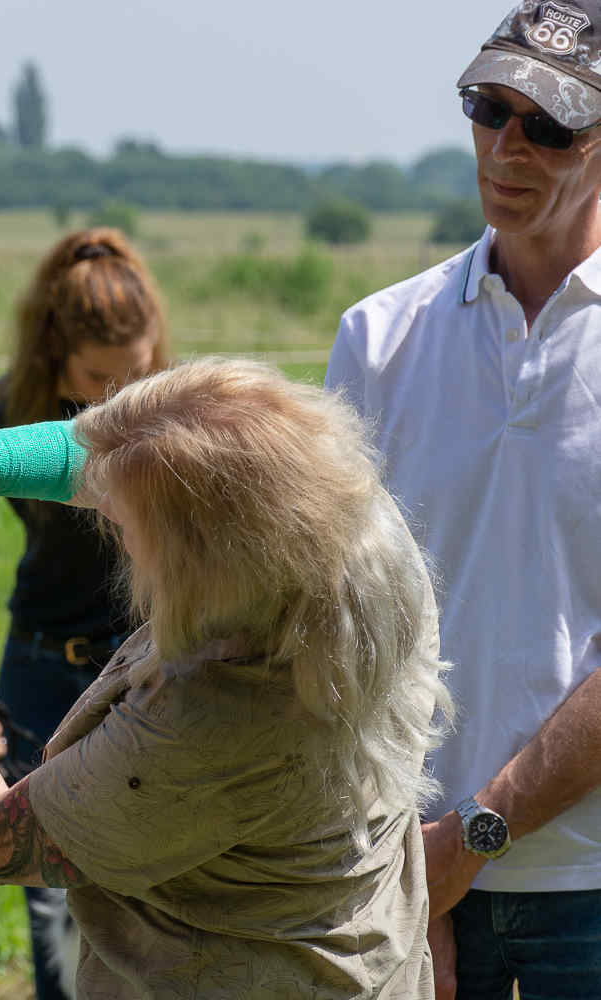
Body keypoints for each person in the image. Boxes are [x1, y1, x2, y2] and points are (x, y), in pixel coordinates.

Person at [0, 359, 452, 998]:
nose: (108, 520)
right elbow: (114, 460)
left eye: (129, 524)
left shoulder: (219, 714)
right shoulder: (360, 534)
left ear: (206, 562)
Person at [325, 3, 601, 996]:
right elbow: (339, 628)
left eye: (550, 124)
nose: (507, 146)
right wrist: (404, 870)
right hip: (408, 871)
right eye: (489, 109)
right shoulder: (378, 339)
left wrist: (473, 835)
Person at [0, 226, 169, 999]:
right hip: (42, 674)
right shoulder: (3, 414)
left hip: (150, 669)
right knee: (50, 894)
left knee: (154, 884)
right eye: (96, 380)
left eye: (136, 375)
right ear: (54, 355)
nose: (117, 398)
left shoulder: (178, 406)